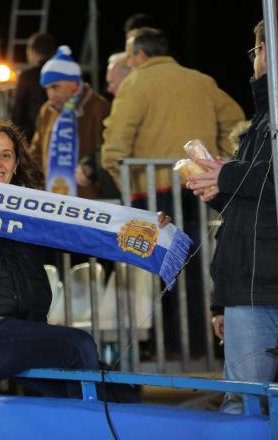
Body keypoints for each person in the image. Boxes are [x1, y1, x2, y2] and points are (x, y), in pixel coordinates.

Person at [0, 119, 169, 398]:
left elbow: (89, 236)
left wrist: (148, 228)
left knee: (122, 392)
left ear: (15, 165)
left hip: (30, 333)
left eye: (6, 155)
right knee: (77, 345)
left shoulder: (34, 212)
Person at [101, 27, 245, 355]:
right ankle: (195, 346)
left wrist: (120, 175)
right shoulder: (201, 81)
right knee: (193, 268)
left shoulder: (136, 82)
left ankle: (165, 349)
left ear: (138, 54)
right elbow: (237, 121)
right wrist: (215, 164)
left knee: (156, 269)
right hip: (198, 189)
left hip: (151, 192)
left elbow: (116, 142)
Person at [187, 20, 278, 414]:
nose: (254, 59)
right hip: (248, 290)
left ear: (265, 51)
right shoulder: (259, 121)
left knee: (244, 405)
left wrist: (226, 174)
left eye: (255, 50)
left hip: (261, 287)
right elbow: (248, 210)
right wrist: (216, 188)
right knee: (243, 404)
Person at [29, 45, 116, 200]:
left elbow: (105, 150)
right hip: (52, 197)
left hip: (90, 200)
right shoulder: (47, 110)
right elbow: (36, 152)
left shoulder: (98, 107)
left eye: (55, 87)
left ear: (74, 84)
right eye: (47, 89)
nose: (51, 95)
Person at [10, 32, 57, 143]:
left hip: (34, 137)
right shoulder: (64, 75)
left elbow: (18, 113)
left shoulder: (28, 76)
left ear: (32, 52)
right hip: (61, 136)